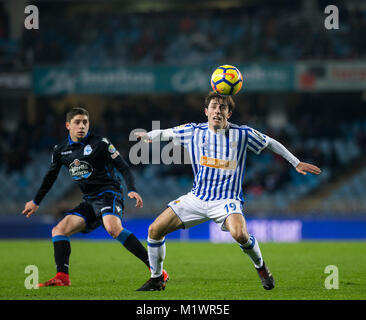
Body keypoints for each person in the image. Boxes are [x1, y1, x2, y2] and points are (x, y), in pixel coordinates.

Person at [134, 91, 321, 291]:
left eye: (222, 107)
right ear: (206, 111)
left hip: (226, 200)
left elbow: (270, 143)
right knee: (154, 231)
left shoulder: (242, 134)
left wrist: (296, 162)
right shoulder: (193, 131)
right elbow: (165, 133)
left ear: (229, 113)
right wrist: (148, 136)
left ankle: (261, 267)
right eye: (213, 106)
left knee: (240, 234)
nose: (217, 111)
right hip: (197, 198)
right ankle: (157, 278)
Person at [22, 107, 168, 287]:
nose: (82, 126)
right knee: (59, 230)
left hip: (109, 193)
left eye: (85, 122)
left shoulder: (101, 143)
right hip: (90, 200)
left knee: (112, 227)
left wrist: (131, 188)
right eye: (77, 122)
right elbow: (50, 177)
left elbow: (123, 167)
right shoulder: (61, 151)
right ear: (68, 125)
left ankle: (156, 270)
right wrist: (36, 201)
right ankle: (62, 277)